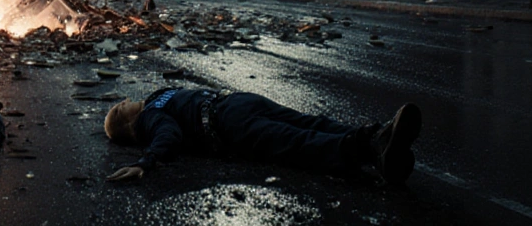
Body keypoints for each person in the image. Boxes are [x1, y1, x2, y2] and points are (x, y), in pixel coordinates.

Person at [104, 86, 421, 185]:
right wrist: (146, 162)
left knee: (307, 124)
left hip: (232, 104)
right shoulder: (149, 119)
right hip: (227, 125)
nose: (123, 101)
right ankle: (373, 148)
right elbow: (168, 136)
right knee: (297, 140)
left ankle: (378, 137)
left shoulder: (157, 97)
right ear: (126, 121)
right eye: (119, 108)